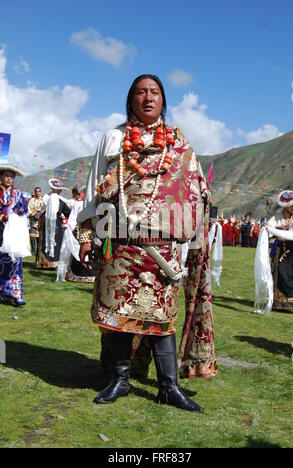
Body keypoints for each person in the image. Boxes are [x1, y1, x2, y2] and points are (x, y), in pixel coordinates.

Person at [78, 74, 217, 412]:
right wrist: (86, 236)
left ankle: (168, 386)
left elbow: (197, 188)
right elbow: (93, 187)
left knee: (162, 316)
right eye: (141, 92)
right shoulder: (113, 139)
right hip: (121, 244)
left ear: (163, 101)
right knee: (121, 313)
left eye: (155, 92)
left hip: (164, 250)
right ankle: (120, 379)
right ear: (131, 100)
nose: (148, 97)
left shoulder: (179, 145)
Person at [0, 165, 30, 306]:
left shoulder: (18, 195)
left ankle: (16, 294)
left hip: (12, 235)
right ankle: (3, 293)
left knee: (15, 263)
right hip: (0, 234)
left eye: (11, 176)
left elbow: (24, 211)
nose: (8, 179)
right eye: (6, 175)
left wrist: (14, 218)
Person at [267, 190, 293, 312]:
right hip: (281, 253)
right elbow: (268, 232)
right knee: (282, 276)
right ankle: (280, 303)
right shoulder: (276, 219)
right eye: (292, 205)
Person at [36, 178, 71, 269]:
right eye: (59, 189)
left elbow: (67, 212)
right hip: (49, 223)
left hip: (57, 224)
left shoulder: (56, 199)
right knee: (46, 240)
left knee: (56, 242)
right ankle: (45, 262)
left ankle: (52, 262)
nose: (60, 191)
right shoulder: (48, 198)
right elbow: (67, 212)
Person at [28, 187, 42, 256]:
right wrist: (35, 211)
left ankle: (39, 256)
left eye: (39, 191)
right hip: (33, 221)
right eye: (36, 191)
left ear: (40, 192)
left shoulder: (43, 200)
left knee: (40, 240)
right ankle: (34, 251)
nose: (37, 192)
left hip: (41, 222)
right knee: (33, 237)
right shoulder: (32, 200)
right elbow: (29, 211)